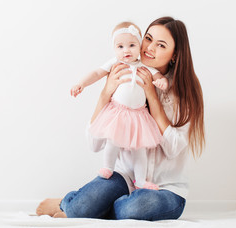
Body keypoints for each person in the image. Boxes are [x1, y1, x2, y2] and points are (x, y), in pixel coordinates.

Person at [37, 16, 205, 221]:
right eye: (148, 38)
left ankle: (94, 208)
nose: (149, 48)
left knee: (137, 207)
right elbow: (94, 144)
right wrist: (105, 93)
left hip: (166, 190)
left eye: (161, 45)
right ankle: (72, 203)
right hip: (125, 178)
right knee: (81, 207)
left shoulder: (185, 93)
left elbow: (173, 148)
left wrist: (152, 97)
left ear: (174, 55)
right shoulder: (124, 76)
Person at [70, 21, 168, 189]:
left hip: (138, 114)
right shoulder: (115, 63)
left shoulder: (144, 65)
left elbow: (158, 75)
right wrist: (82, 83)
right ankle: (108, 167)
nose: (126, 50)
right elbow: (96, 73)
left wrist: (162, 82)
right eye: (120, 46)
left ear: (139, 46)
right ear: (114, 49)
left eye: (131, 45)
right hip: (117, 112)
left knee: (140, 149)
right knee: (112, 142)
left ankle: (141, 180)